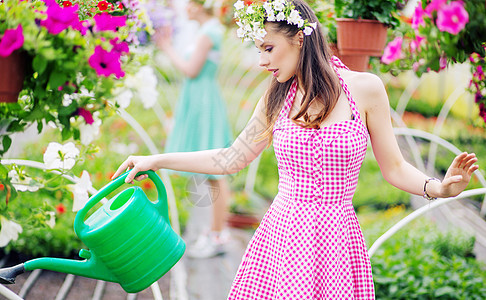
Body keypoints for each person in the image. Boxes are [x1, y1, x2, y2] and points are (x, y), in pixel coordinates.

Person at [114, 0, 479, 298]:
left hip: (338, 240)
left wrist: (440, 188)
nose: (262, 61)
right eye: (258, 51)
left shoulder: (366, 89)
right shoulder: (275, 99)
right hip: (283, 237)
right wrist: (155, 159)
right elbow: (230, 159)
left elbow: (395, 167)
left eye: (268, 48)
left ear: (300, 39)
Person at [153, 0, 233, 258]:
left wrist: (166, 47)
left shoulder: (209, 32)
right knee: (212, 170)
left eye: (189, 4)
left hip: (203, 102)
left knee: (216, 170)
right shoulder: (208, 30)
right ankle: (215, 232)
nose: (185, 8)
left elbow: (191, 69)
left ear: (200, 6)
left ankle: (217, 234)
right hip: (200, 99)